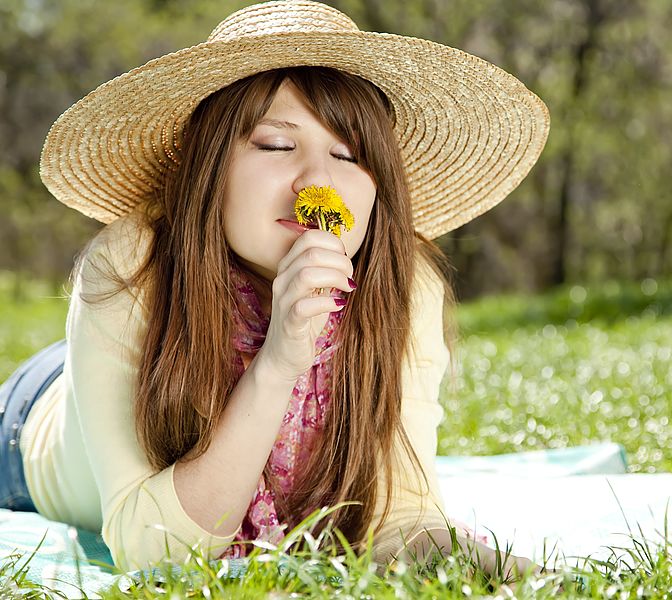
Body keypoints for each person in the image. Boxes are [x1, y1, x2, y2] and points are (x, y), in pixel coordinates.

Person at [0, 0, 549, 582]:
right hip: (38, 419)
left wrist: (505, 572)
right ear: (207, 166)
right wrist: (281, 359)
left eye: (348, 154)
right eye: (276, 145)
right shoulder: (129, 267)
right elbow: (153, 553)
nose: (319, 181)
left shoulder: (403, 284)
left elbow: (399, 516)